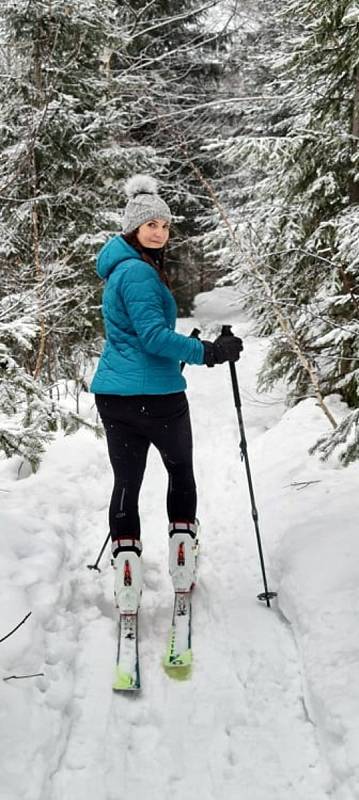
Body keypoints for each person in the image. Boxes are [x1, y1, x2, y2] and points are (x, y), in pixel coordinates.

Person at [90, 174, 243, 614]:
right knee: (179, 471)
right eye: (150, 224)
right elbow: (155, 337)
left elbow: (137, 336)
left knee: (127, 482)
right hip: (158, 398)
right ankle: (181, 559)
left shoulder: (122, 268)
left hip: (115, 396)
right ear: (132, 228)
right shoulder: (138, 272)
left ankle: (127, 574)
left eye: (165, 225)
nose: (159, 231)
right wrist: (209, 352)